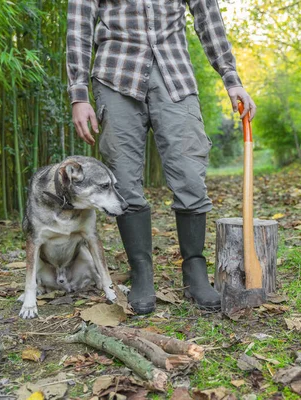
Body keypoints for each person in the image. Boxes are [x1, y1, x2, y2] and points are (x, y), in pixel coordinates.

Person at [67, 0, 256, 315]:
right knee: (123, 180)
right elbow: (79, 24)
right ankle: (141, 271)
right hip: (115, 74)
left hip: (174, 76)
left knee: (190, 174)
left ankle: (195, 269)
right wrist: (78, 93)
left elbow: (207, 16)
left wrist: (231, 78)